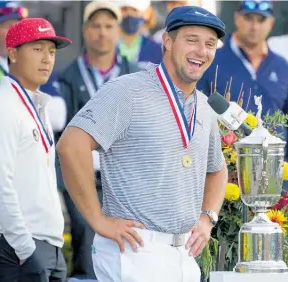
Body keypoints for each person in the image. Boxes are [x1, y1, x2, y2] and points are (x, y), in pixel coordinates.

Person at [56, 5, 228, 282]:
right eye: (192, 40)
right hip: (134, 249)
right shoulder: (126, 90)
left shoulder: (205, 107)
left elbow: (218, 169)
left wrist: (208, 218)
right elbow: (70, 145)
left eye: (210, 44)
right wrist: (97, 220)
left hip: (183, 254)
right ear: (168, 41)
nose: (202, 51)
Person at [0, 17, 72, 281]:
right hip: (20, 246)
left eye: (51, 51)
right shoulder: (3, 108)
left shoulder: (32, 106)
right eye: (37, 49)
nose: (47, 59)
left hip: (45, 244)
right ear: (13, 53)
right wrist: (25, 249)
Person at [57, 1, 140, 279]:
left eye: (108, 26)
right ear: (84, 30)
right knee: (87, 248)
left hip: (126, 179)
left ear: (118, 30)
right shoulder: (67, 77)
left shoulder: (137, 75)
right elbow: (63, 136)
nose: (102, 33)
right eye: (95, 26)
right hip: (84, 177)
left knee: (130, 248)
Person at [197, 0, 288, 196]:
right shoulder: (213, 60)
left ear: (271, 23)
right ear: (236, 18)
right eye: (248, 18)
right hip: (225, 176)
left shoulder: (281, 66)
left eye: (261, 20)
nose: (254, 25)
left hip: (274, 172)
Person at [0, 1, 66, 131]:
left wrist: (4, 114)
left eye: (20, 28)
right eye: (9, 26)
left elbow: (58, 117)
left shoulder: (38, 62)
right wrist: (34, 110)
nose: (17, 34)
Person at [115, 0, 162, 69]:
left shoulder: (157, 50)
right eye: (124, 9)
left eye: (134, 10)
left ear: (145, 14)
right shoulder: (106, 47)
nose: (129, 14)